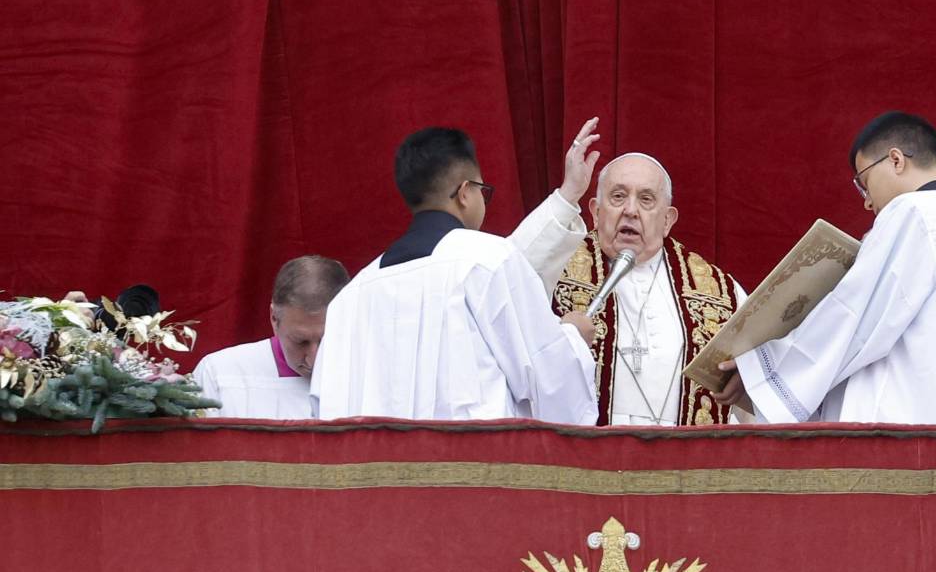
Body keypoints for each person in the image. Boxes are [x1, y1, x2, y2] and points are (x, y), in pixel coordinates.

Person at [714, 111, 936, 424]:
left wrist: (763, 375)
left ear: (895, 160)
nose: (867, 202)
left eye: (865, 183)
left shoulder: (916, 212)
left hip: (901, 439)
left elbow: (854, 315)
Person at [311, 126, 599, 424]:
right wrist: (573, 339)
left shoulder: (351, 296)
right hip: (468, 467)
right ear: (465, 193)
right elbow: (547, 376)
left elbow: (327, 412)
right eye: (482, 192)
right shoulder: (487, 260)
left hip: (373, 469)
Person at [550, 152, 749, 425]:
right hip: (587, 460)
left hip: (685, 462)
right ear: (596, 212)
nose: (630, 210)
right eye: (618, 196)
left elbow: (753, 405)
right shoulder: (553, 273)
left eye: (646, 199)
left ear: (667, 220)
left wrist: (750, 376)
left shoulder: (722, 293)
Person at [194, 256, 349, 419]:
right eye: (300, 341)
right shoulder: (219, 375)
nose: (315, 359)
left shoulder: (372, 373)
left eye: (327, 341)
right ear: (274, 318)